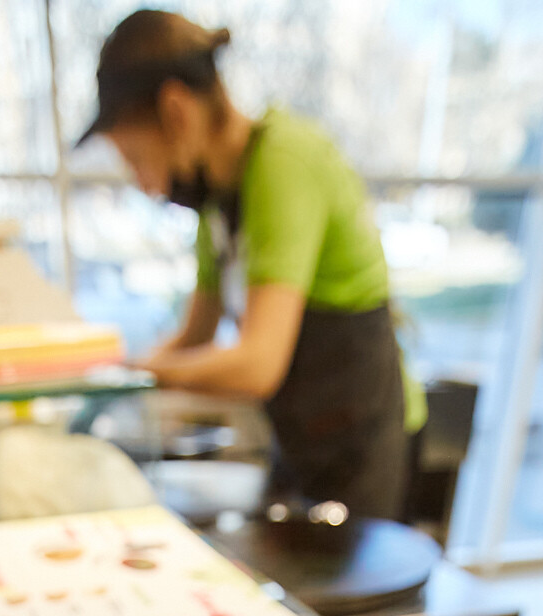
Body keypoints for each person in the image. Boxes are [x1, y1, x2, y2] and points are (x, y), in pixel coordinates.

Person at [77, 8, 424, 521]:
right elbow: (194, 334)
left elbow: (258, 364)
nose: (142, 183)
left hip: (363, 438)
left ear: (176, 111)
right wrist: (116, 377)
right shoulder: (216, 204)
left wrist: (147, 375)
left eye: (135, 158)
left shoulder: (284, 162)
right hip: (299, 435)